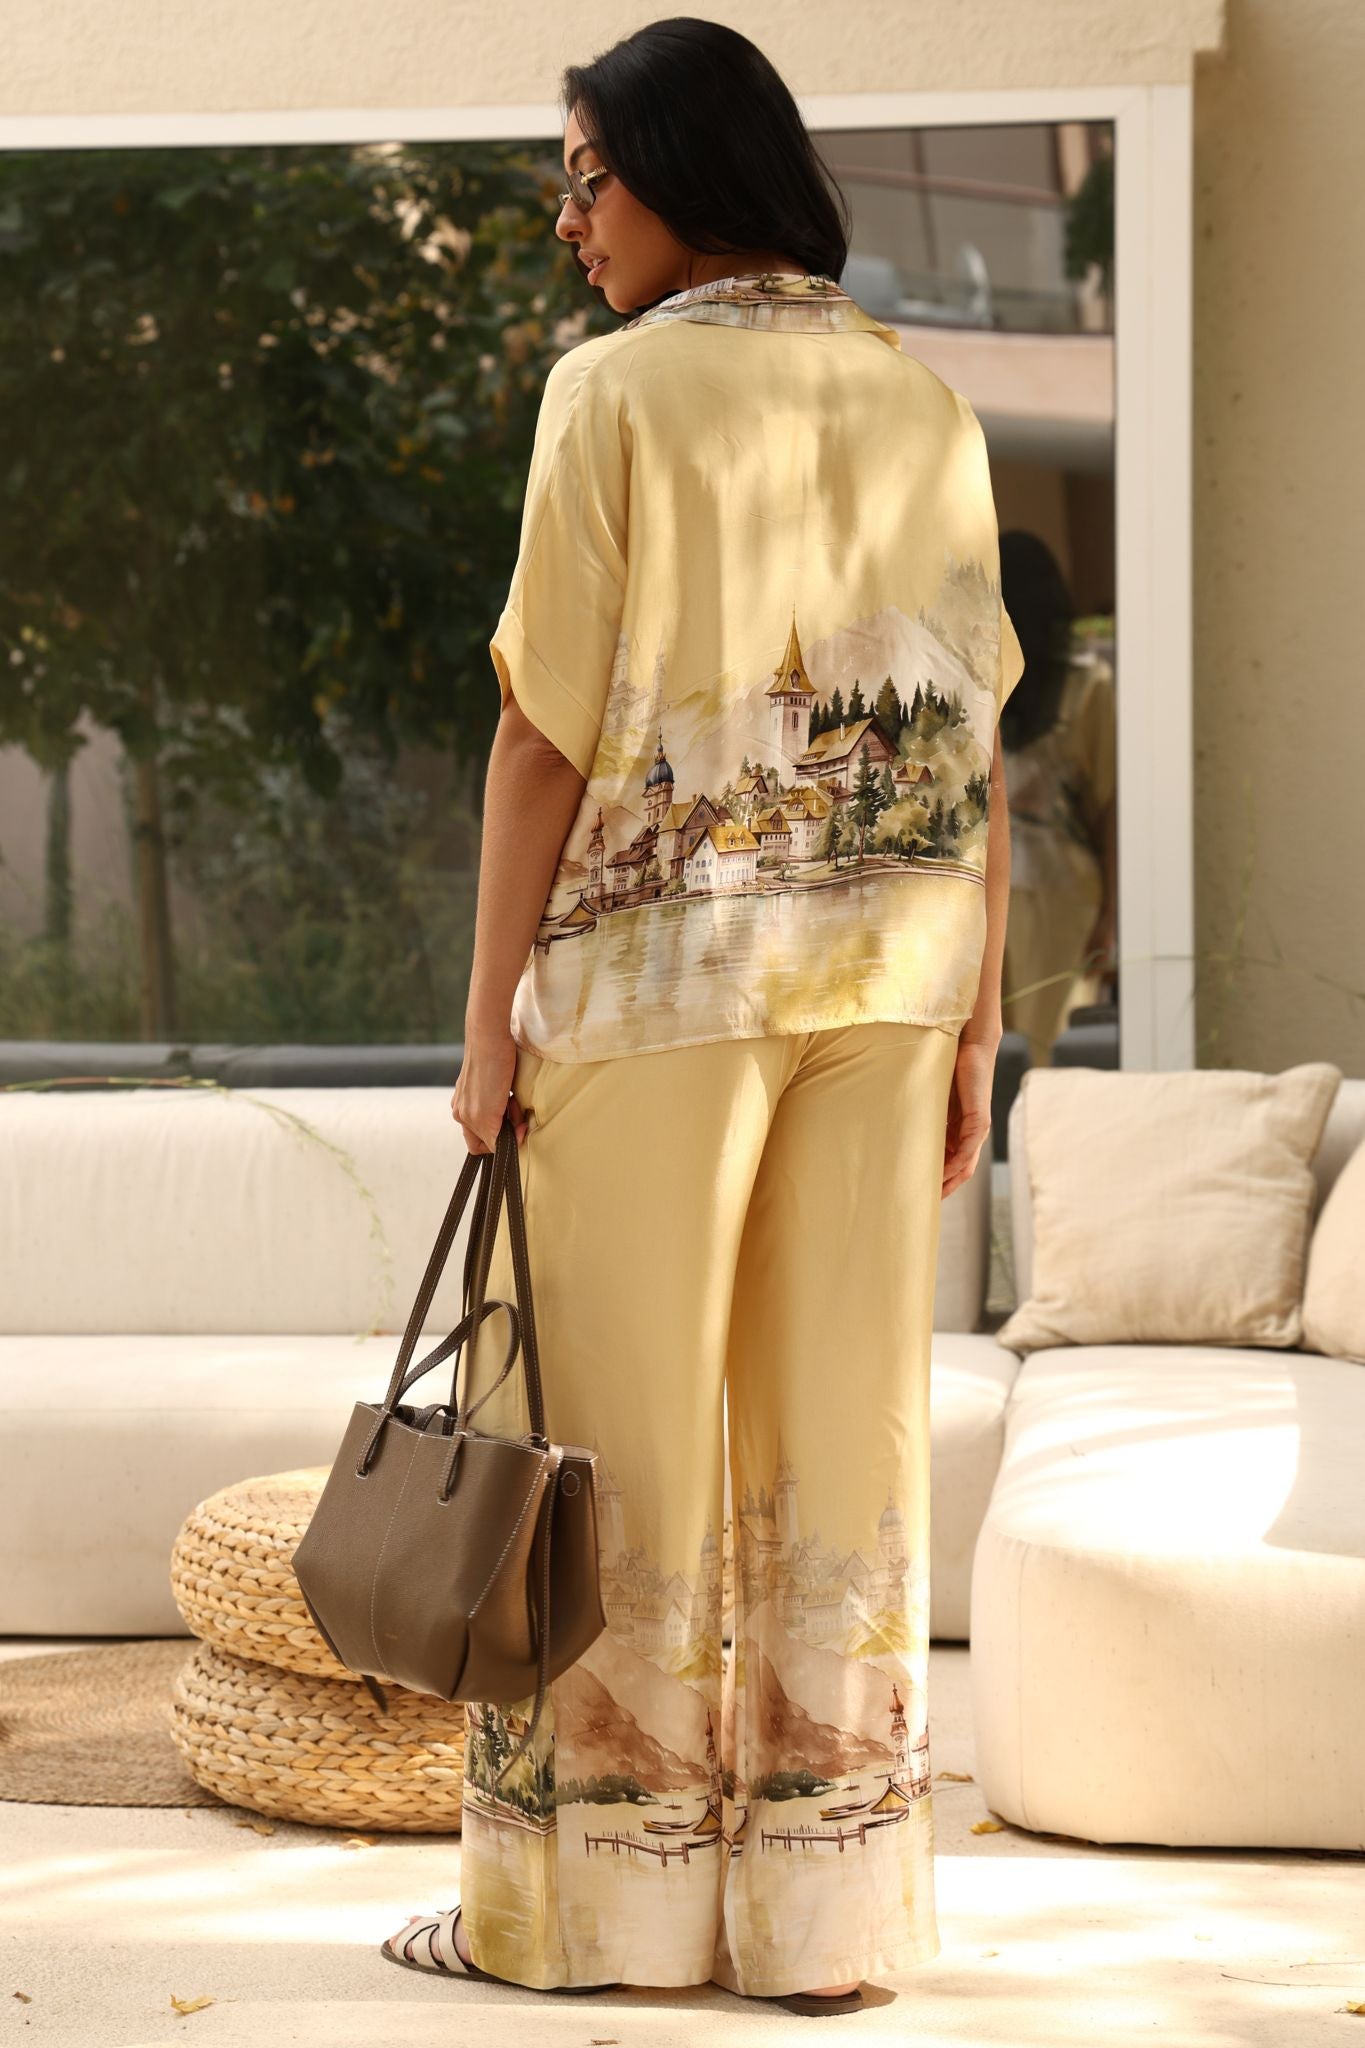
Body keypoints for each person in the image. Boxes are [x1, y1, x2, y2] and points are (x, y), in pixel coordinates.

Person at [382, 17, 1023, 2017]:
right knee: (849, 1447)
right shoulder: (921, 398)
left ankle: (589, 1918)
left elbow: (537, 737)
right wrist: (980, 1038)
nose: (566, 221)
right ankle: (823, 1929)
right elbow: (965, 739)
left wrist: (487, 1023)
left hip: (666, 986)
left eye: (584, 176)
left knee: (609, 1443)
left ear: (680, 169)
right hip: (891, 981)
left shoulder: (613, 395)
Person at [997, 531, 1117, 1066]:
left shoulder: (1088, 686)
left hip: (1057, 901)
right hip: (1024, 894)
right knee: (1006, 1056)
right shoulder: (977, 684)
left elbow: (1112, 808)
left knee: (1039, 1054)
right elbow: (1112, 810)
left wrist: (1112, 917)